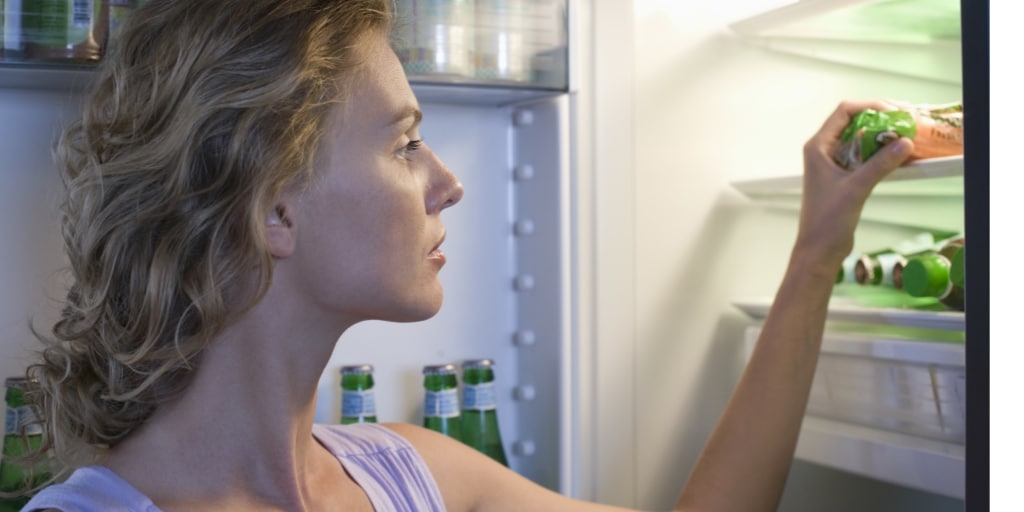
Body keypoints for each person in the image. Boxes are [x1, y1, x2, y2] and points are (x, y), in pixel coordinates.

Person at [14, 0, 914, 510]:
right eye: (404, 143)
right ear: (275, 206)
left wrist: (816, 253)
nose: (446, 182)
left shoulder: (405, 474)